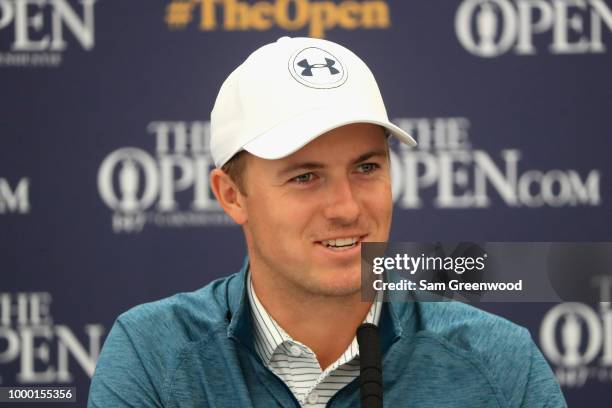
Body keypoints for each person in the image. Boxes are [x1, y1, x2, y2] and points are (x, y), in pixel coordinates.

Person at [88, 36, 566, 407]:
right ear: (232, 196)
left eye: (366, 168)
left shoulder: (498, 361)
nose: (346, 208)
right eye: (305, 176)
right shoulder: (153, 354)